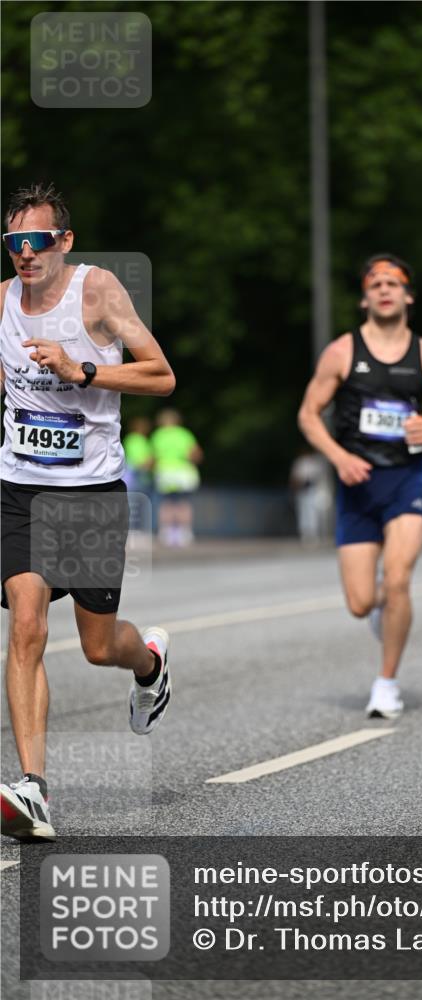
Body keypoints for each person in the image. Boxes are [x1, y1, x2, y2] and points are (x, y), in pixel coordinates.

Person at [0, 183, 175, 841]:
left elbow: (161, 376)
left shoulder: (97, 292)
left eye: (36, 241)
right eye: (13, 243)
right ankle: (34, 790)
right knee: (25, 624)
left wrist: (83, 372)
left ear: (63, 242)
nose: (24, 254)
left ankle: (150, 665)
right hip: (18, 489)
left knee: (99, 646)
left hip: (91, 495)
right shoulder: (2, 302)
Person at [298, 254, 422, 718]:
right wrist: (339, 457)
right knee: (360, 602)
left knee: (398, 579)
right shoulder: (342, 352)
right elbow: (308, 415)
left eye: (394, 283)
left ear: (408, 296)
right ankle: (380, 613)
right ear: (364, 297)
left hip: (407, 479)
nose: (385, 289)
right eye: (376, 283)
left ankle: (386, 683)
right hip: (357, 483)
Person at [151, 409, 203, 547]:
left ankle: (166, 532)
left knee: (167, 503)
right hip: (183, 471)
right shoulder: (184, 434)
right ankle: (185, 533)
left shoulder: (158, 435)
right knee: (183, 503)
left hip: (165, 471)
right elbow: (196, 454)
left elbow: (153, 457)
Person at [289, 448, 331, 545]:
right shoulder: (299, 463)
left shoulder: (315, 463)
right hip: (302, 490)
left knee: (313, 513)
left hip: (313, 490)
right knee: (304, 513)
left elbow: (319, 477)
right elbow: (295, 478)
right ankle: (306, 534)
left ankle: (315, 534)